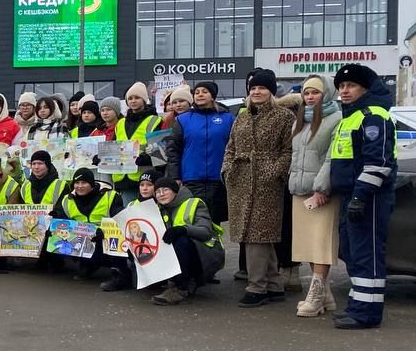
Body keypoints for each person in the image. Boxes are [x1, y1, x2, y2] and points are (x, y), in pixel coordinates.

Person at [328, 63, 398, 329]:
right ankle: (357, 306)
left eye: (351, 86)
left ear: (365, 88)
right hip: (352, 196)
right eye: (342, 86)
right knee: (353, 254)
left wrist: (360, 196)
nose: (344, 91)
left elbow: (377, 162)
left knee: (367, 255)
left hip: (369, 198)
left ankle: (367, 314)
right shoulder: (352, 116)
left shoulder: (374, 116)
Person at [222, 68, 294, 307]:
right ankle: (274, 285)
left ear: (271, 91)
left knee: (258, 235)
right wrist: (227, 169)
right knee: (257, 236)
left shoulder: (284, 117)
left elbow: (288, 150)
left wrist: (273, 172)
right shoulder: (242, 116)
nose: (256, 92)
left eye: (262, 88)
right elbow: (230, 146)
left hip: (267, 183)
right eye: (253, 88)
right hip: (240, 180)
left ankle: (257, 287)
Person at [288, 75, 342, 318]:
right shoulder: (300, 121)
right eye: (306, 93)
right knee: (309, 245)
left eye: (315, 93)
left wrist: (322, 187)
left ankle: (316, 293)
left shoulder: (336, 119)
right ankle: (325, 296)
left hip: (322, 193)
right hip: (300, 191)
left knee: (321, 243)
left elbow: (332, 158)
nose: (309, 97)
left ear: (326, 94)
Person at [163, 80, 235, 229]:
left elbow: (234, 148)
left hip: (219, 180)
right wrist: (175, 177)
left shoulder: (228, 119)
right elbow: (173, 151)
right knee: (192, 221)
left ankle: (215, 251)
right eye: (197, 92)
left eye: (204, 92)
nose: (200, 95)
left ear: (213, 96)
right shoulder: (183, 120)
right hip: (191, 180)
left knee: (214, 224)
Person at [148, 176, 225, 305]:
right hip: (181, 255)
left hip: (206, 256)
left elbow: (205, 232)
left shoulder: (194, 203)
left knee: (181, 240)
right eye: (157, 191)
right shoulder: (157, 209)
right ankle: (162, 280)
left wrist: (183, 229)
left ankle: (180, 288)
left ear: (175, 191)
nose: (161, 194)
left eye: (165, 190)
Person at [53, 167, 118, 280]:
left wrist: (104, 231)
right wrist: (54, 219)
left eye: (84, 182)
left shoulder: (110, 196)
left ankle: (118, 271)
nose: (80, 186)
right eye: (77, 183)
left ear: (92, 184)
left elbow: (118, 218)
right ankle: (85, 265)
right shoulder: (66, 200)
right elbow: (62, 220)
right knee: (57, 236)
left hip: (104, 235)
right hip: (81, 237)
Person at [112, 83, 161, 200]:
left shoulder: (155, 121)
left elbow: (160, 153)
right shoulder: (120, 123)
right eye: (130, 98)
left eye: (137, 98)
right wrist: (102, 159)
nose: (133, 101)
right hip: (122, 178)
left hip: (144, 177)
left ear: (144, 100)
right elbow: (113, 147)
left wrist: (145, 159)